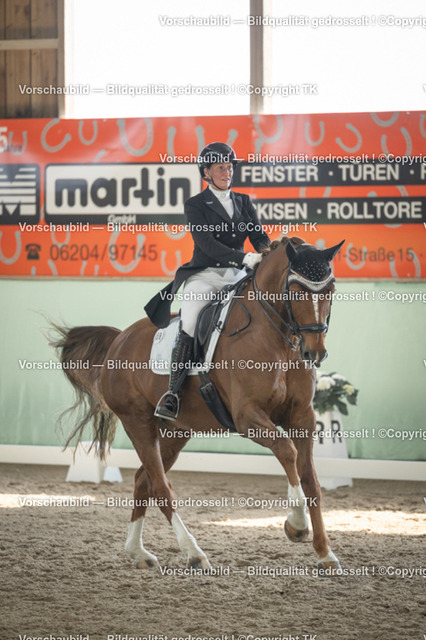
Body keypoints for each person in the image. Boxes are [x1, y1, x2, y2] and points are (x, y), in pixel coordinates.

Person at [145, 142, 271, 420]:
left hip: (239, 276)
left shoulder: (244, 201)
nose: (227, 172)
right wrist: (245, 258)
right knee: (190, 320)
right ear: (206, 173)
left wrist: (270, 252)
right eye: (220, 168)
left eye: (230, 167)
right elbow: (207, 245)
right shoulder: (196, 204)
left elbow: (259, 237)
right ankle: (173, 393)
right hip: (206, 275)